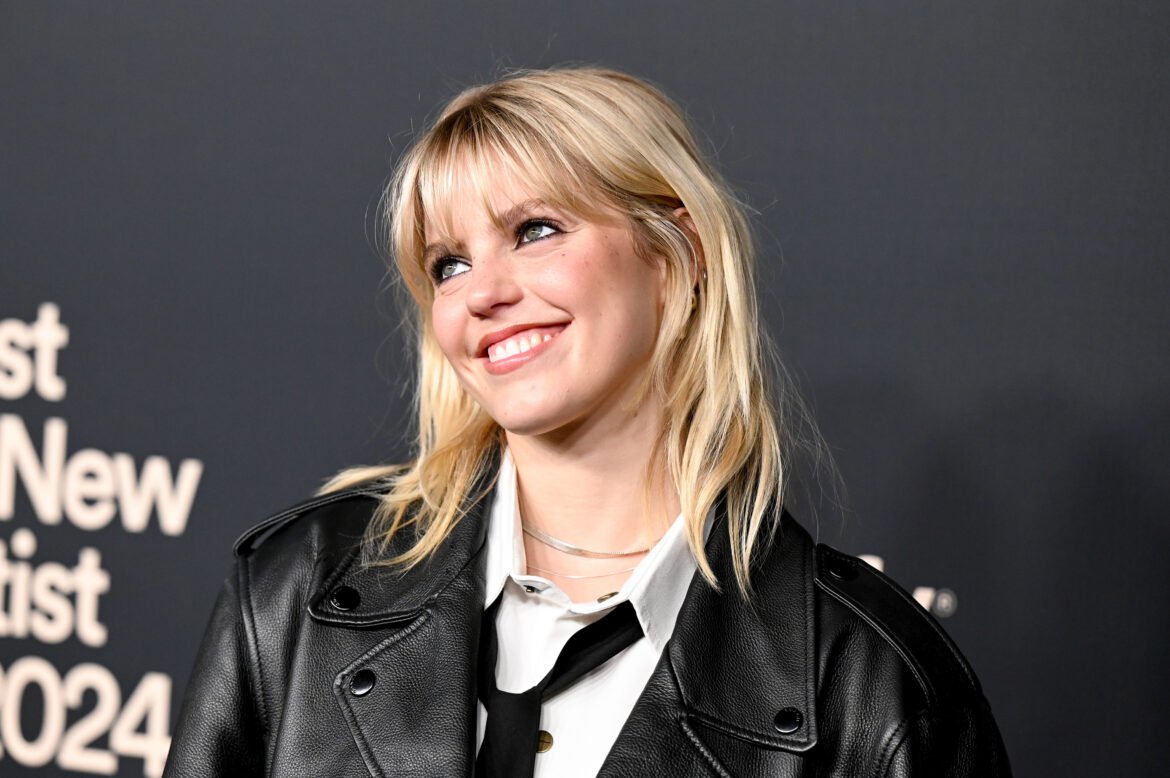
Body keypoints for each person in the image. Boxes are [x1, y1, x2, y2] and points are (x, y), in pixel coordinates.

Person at [163, 67, 1011, 777]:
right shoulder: (297, 589)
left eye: (535, 230)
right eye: (448, 264)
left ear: (677, 252)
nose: (482, 293)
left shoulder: (874, 690)